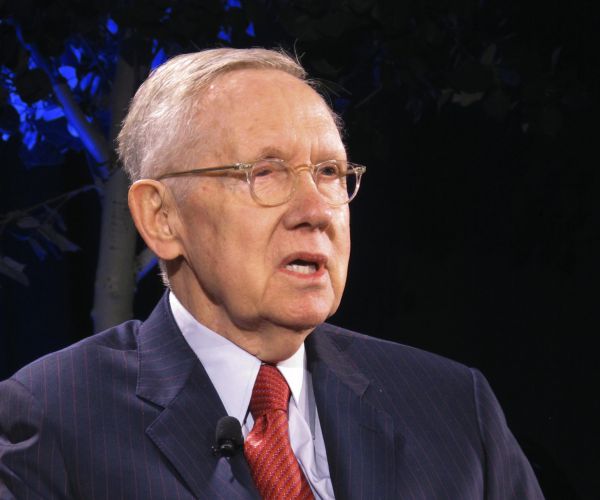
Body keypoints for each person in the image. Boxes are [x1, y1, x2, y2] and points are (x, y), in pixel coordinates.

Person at [0, 48, 544, 499]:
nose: (316, 210)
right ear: (162, 218)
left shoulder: (454, 408)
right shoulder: (53, 421)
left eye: (329, 172)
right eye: (265, 172)